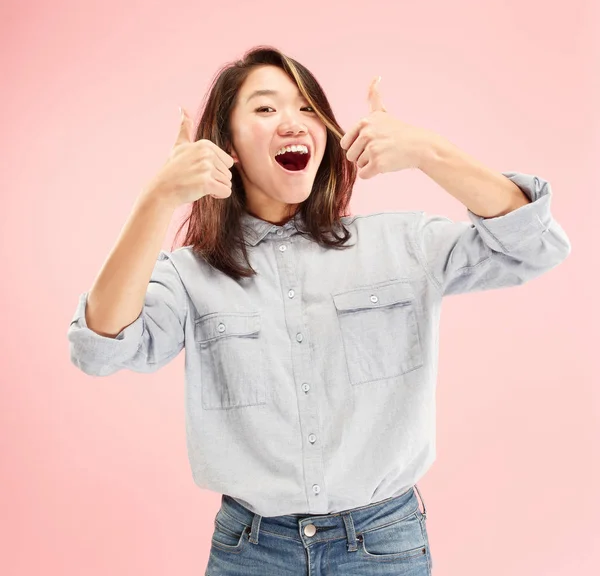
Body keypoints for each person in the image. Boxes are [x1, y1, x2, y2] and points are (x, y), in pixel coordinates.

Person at [67, 45, 571, 575]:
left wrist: (429, 152)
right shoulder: (190, 276)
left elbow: (536, 247)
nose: (294, 122)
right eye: (265, 109)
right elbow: (98, 349)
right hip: (252, 551)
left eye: (308, 108)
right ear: (225, 143)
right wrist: (157, 199)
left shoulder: (401, 244)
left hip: (383, 546)